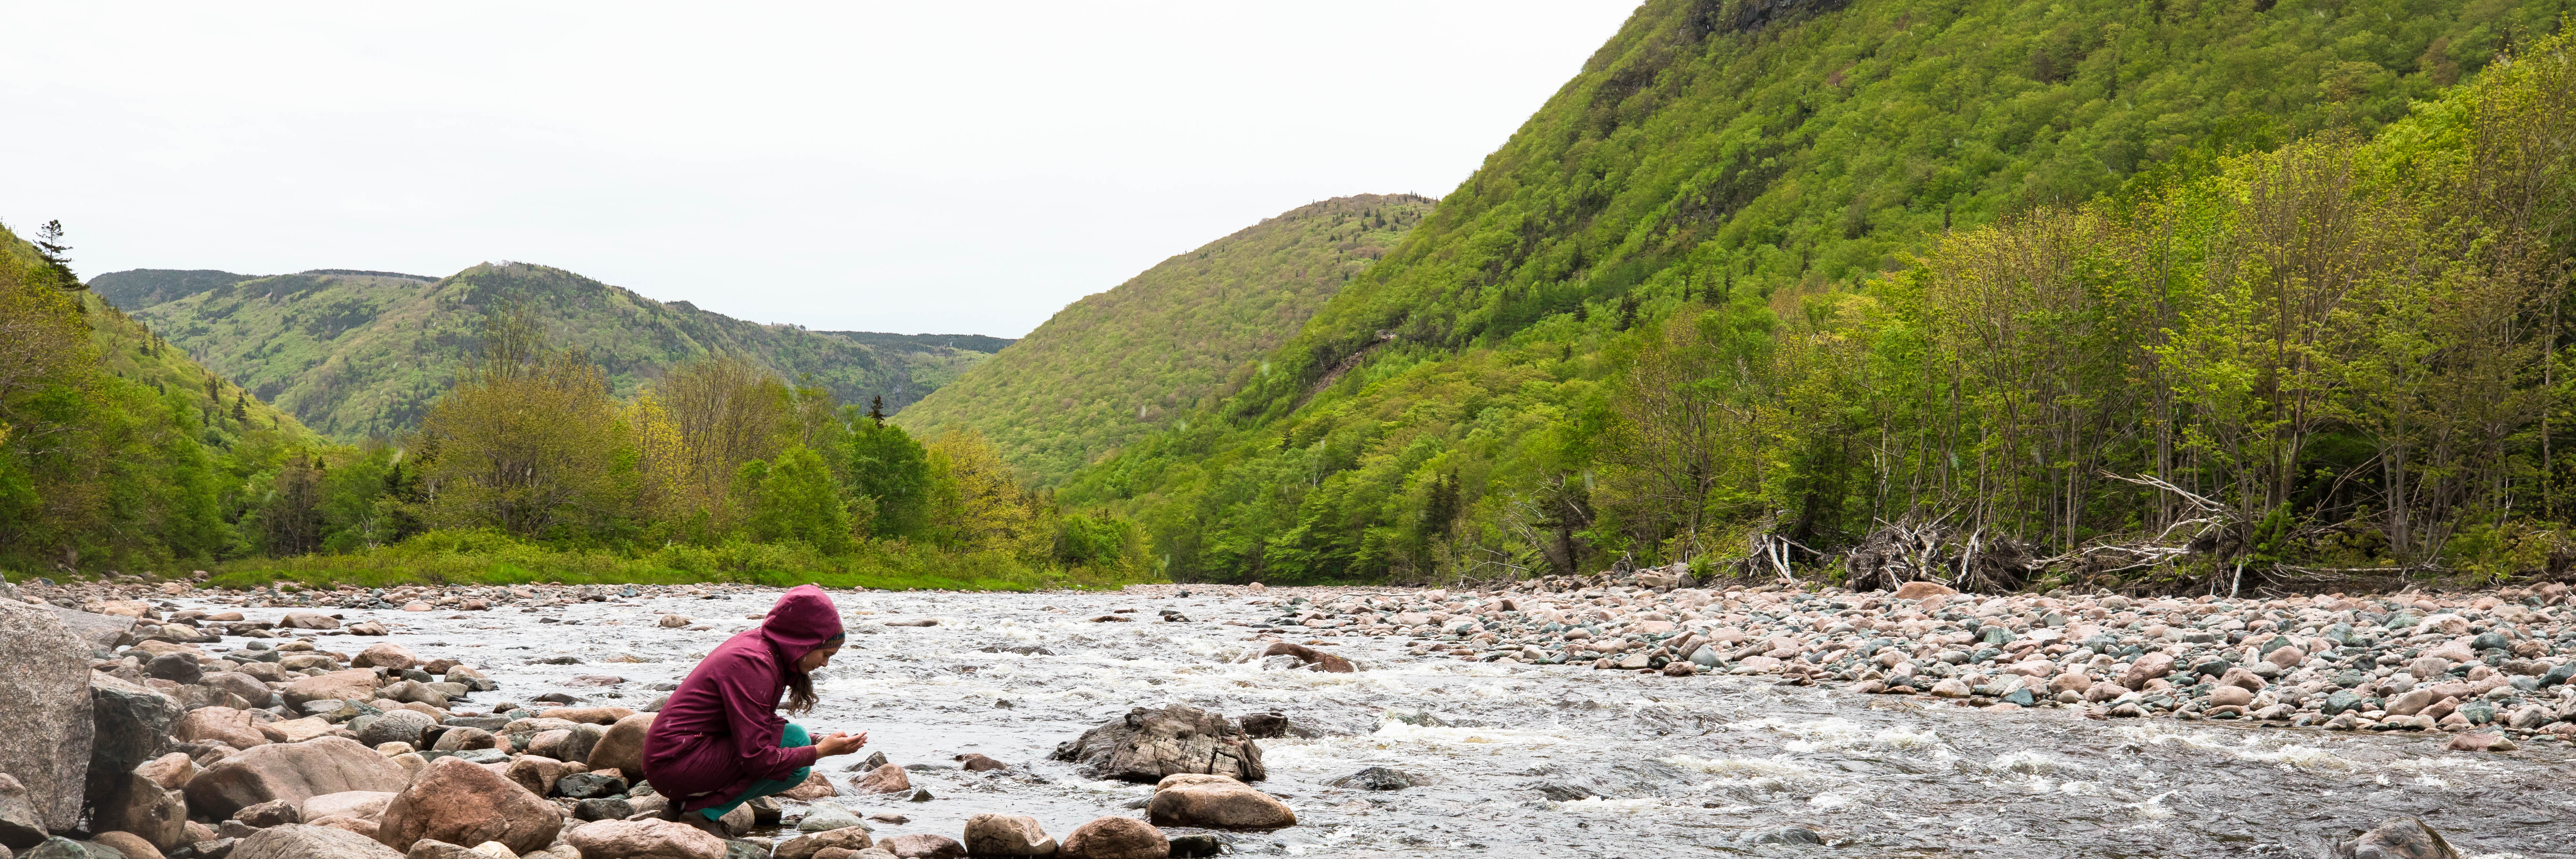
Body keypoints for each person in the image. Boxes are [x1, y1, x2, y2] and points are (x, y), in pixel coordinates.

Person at [641, 584, 867, 829]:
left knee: (799, 759)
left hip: (683, 755)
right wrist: (821, 751)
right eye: (826, 654)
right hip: (674, 763)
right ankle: (701, 815)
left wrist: (819, 739)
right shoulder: (754, 664)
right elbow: (757, 758)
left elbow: (755, 724)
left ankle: (683, 808)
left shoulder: (765, 649)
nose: (825, 664)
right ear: (805, 643)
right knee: (796, 742)